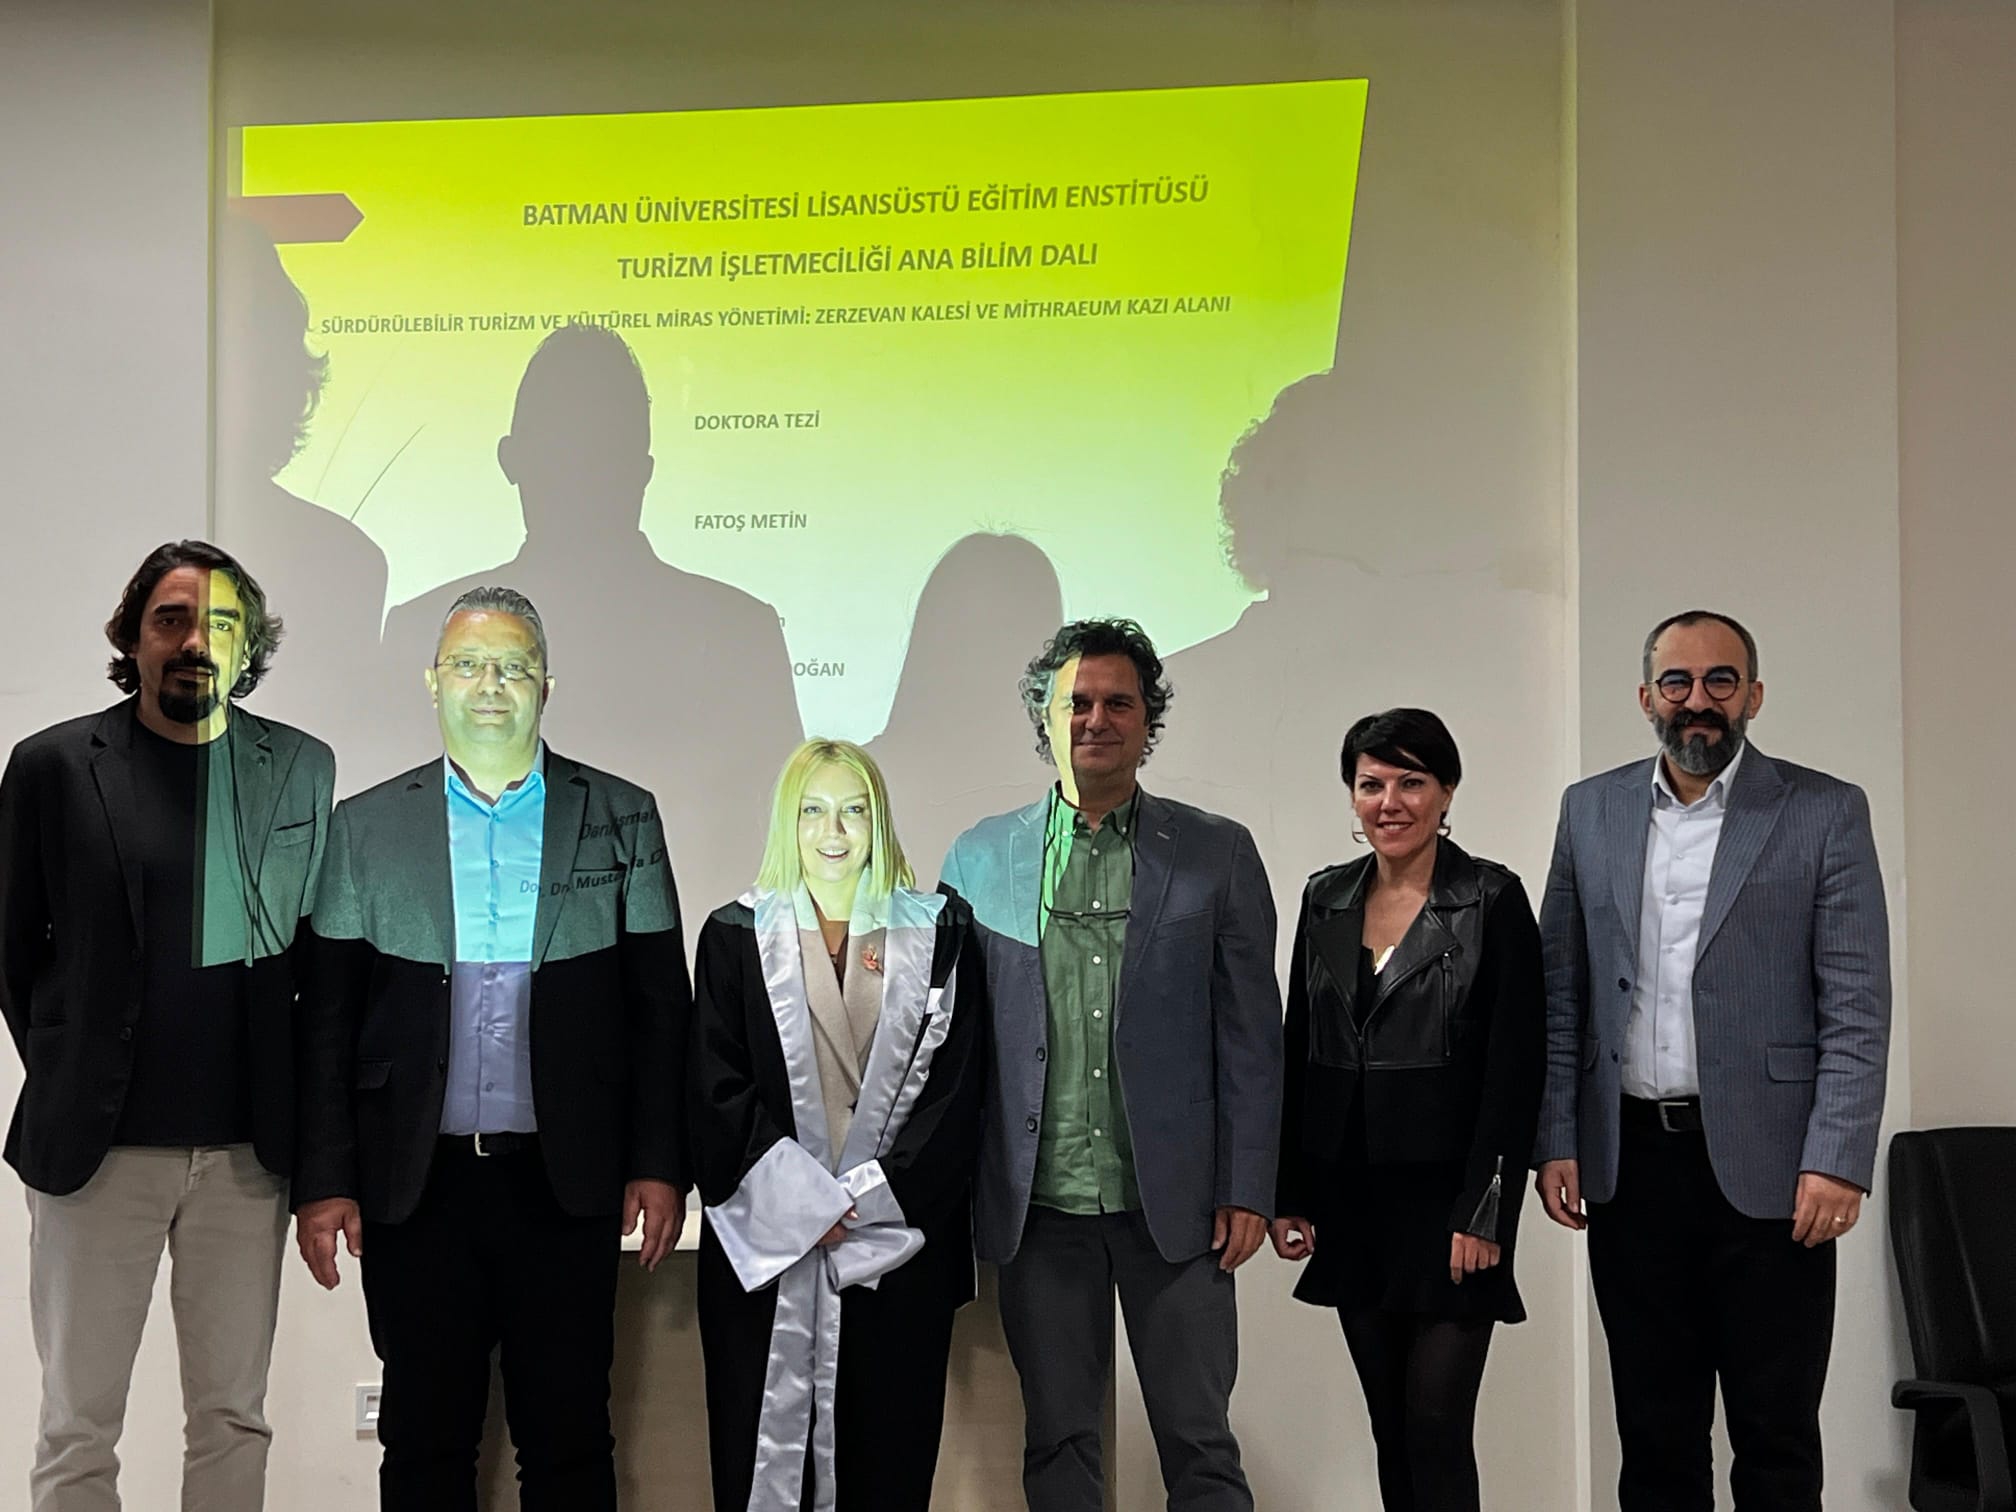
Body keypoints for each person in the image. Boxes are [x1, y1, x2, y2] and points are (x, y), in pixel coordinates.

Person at [292, 585, 690, 1512]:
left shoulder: (622, 815)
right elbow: (327, 1021)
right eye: (469, 665)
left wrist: (659, 1162)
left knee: (570, 1440)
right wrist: (325, 1177)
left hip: (567, 1183)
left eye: (514, 667)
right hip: (414, 1188)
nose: (491, 686)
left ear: (547, 687)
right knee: (424, 1441)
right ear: (433, 682)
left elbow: (659, 1008)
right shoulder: (363, 826)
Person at [0, 540, 333, 1511]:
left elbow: (315, 958)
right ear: (134, 637)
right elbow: (14, 950)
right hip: (96, 1156)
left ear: (250, 644)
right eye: (171, 619)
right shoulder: (54, 767)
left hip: (245, 1157)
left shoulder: (299, 768)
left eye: (221, 623)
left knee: (232, 1416)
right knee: (77, 1423)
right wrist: (67, 1063)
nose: (195, 641)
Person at [1533, 609, 1891, 1512]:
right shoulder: (1589, 809)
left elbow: (1856, 1003)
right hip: (1631, 1168)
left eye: (1720, 681)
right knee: (1656, 1438)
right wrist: (1557, 1137)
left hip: (1776, 1171)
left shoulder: (1823, 810)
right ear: (1646, 697)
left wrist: (1837, 1157)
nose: (1699, 700)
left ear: (1754, 696)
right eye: (1678, 682)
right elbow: (1561, 989)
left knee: (1776, 1437)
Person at [939, 617, 1282, 1512]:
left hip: (1179, 1208)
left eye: (1118, 703)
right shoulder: (979, 858)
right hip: (1038, 1207)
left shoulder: (1217, 853)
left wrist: (1248, 1185)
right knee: (1059, 1443)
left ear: (1147, 720)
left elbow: (1253, 1036)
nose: (1097, 719)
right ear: (1045, 719)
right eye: (1077, 703)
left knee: (1201, 1446)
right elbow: (948, 1042)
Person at [379, 323, 800, 903]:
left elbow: (788, 846)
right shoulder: (417, 629)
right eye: (562, 449)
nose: (579, 473)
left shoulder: (742, 633)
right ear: (511, 460)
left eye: (599, 452)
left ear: (642, 470)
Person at [691, 739, 983, 1512]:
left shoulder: (940, 933)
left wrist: (865, 1202)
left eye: (854, 810)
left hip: (894, 1250)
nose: (834, 831)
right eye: (813, 810)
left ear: (879, 821)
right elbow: (717, 1092)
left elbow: (957, 1095)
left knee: (887, 1462)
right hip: (772, 1252)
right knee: (763, 1456)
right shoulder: (735, 936)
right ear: (787, 822)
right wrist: (810, 1207)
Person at [1270, 708, 1544, 1512]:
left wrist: (1486, 1211)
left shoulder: (1492, 898)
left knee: (1436, 1426)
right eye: (1371, 784)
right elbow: (1298, 1045)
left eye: (1411, 782)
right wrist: (1289, 1190)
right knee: (1391, 1427)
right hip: (1351, 1200)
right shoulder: (1325, 897)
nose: (1389, 802)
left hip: (1451, 1205)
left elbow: (1515, 1070)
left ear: (1446, 791)